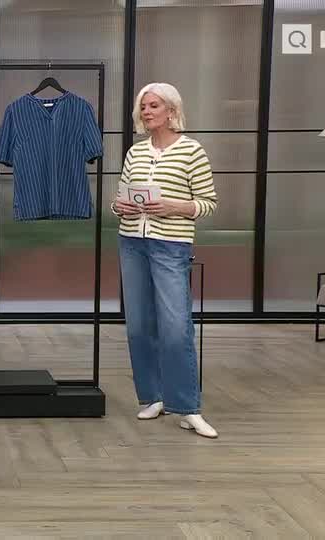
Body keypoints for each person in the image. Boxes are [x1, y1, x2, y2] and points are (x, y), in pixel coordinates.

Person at [111, 83, 219, 438]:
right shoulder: (135, 152)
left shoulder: (192, 151)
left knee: (175, 329)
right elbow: (120, 196)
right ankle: (152, 397)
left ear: (171, 110)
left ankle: (188, 408)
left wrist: (175, 206)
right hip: (132, 243)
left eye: (153, 105)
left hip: (170, 246)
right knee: (139, 327)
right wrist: (119, 205)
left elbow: (207, 203)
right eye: (143, 106)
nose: (146, 111)